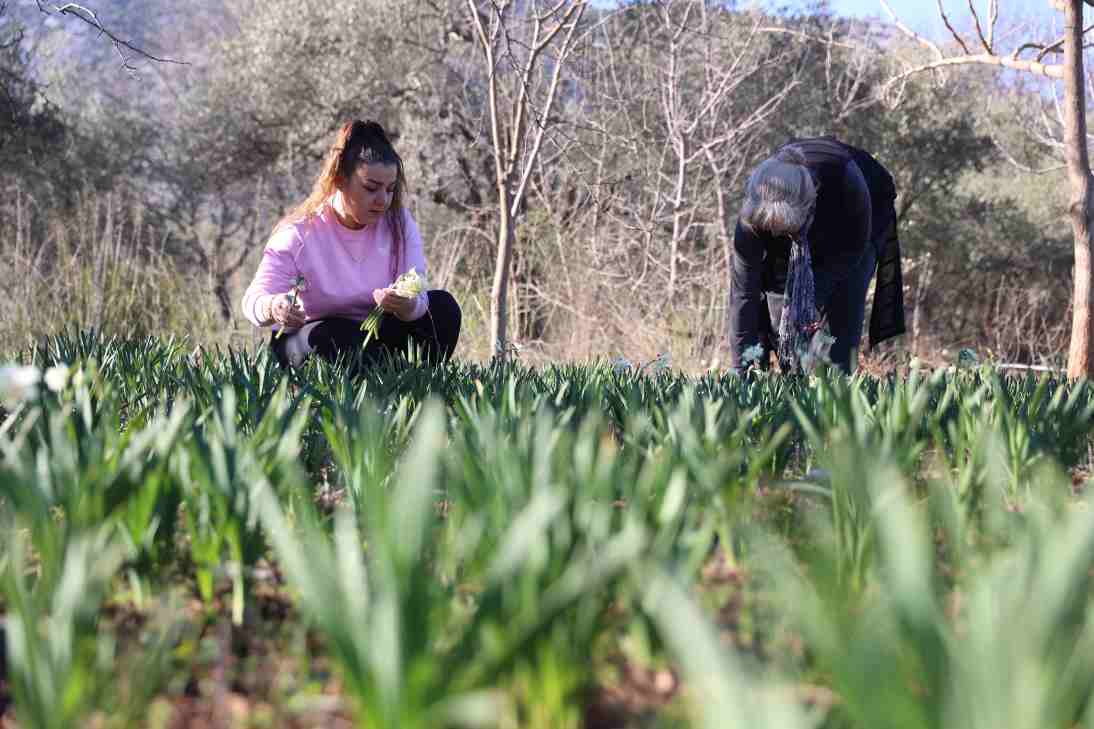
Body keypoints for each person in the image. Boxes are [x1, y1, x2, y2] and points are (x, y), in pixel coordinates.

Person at [242, 120, 461, 371]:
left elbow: (419, 297)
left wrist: (405, 304)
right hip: (315, 338)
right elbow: (253, 300)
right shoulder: (299, 232)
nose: (383, 200)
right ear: (339, 180)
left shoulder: (400, 224)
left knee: (443, 308)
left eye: (390, 190)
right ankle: (390, 373)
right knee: (334, 337)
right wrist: (274, 306)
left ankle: (404, 377)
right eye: (371, 188)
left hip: (373, 332)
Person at [727, 136, 905, 374]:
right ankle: (791, 381)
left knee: (842, 313)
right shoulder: (752, 217)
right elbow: (743, 295)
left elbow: (848, 256)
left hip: (859, 217)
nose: (781, 234)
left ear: (807, 208)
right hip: (796, 218)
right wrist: (740, 372)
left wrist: (809, 303)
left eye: (786, 229)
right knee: (777, 310)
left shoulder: (847, 186)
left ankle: (836, 389)